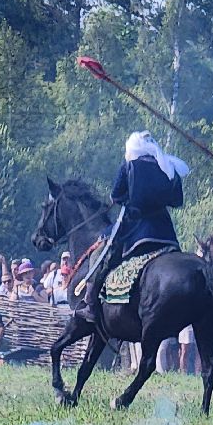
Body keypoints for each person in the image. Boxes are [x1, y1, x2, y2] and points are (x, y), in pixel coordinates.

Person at [82, 131, 187, 316]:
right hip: (165, 231)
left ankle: (90, 303)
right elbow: (177, 201)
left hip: (136, 229)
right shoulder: (168, 167)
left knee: (99, 252)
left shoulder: (129, 166)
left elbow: (115, 195)